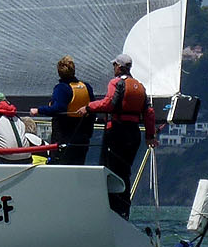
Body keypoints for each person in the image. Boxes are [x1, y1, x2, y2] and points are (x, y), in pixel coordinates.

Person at [85, 54, 159, 217]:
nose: (114, 68)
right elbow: (149, 113)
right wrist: (150, 136)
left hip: (117, 131)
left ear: (119, 67)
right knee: (125, 172)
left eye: (114, 65)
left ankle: (110, 209)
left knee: (110, 170)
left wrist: (89, 107)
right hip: (133, 134)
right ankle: (124, 210)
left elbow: (108, 103)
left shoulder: (116, 83)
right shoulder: (139, 86)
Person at [45, 56, 94, 166]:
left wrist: (39, 110)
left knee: (59, 165)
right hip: (82, 138)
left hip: (63, 136)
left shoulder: (61, 88)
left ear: (59, 72)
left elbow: (57, 109)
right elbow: (92, 108)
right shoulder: (86, 87)